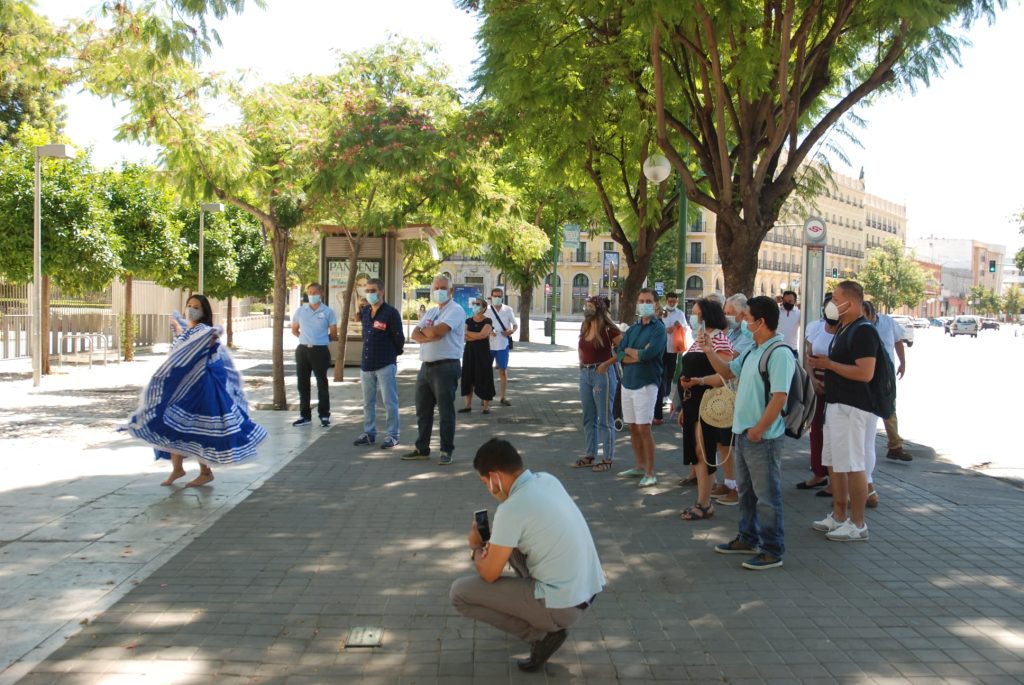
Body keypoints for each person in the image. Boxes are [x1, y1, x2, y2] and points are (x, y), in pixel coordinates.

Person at [450, 438, 605, 672]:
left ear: (496, 477)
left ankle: (539, 635)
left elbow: (490, 575)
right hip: (588, 590)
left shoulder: (511, 509)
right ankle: (538, 617)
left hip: (564, 606)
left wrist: (475, 548)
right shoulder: (548, 480)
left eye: (485, 482)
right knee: (506, 544)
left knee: (459, 593)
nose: (488, 489)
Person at [127, 294, 266, 487]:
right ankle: (178, 468)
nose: (191, 309)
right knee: (174, 423)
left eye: (196, 307)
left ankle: (205, 471)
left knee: (196, 427)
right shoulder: (187, 331)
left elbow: (202, 351)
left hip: (200, 388)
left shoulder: (204, 330)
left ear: (203, 311)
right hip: (182, 387)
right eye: (189, 305)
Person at [704, 296, 795, 570]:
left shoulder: (778, 353)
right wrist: (709, 349)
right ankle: (748, 537)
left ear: (761, 321)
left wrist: (758, 429)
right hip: (744, 433)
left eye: (747, 317)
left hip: (761, 438)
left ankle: (772, 549)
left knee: (767, 496)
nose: (743, 322)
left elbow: (779, 398)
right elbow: (727, 372)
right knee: (747, 492)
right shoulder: (753, 350)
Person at [807, 281, 877, 542]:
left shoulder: (863, 331)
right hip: (835, 404)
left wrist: (830, 365)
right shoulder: (844, 329)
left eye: (835, 299)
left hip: (852, 406)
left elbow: (865, 372)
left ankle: (858, 523)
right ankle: (838, 515)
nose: (831, 304)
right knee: (835, 462)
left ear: (851, 301)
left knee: (853, 464)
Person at [676, 298, 734, 520]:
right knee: (698, 453)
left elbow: (724, 375)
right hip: (693, 404)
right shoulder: (698, 339)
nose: (693, 317)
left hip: (708, 404)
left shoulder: (719, 339)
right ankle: (702, 500)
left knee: (705, 451)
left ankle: (704, 502)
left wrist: (699, 381)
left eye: (696, 313)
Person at [403, 275, 465, 466]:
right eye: (436, 288)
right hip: (426, 366)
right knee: (423, 410)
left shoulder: (456, 310)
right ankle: (422, 448)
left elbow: (439, 332)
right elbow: (415, 333)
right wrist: (429, 336)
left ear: (451, 291)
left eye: (443, 288)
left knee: (446, 412)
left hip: (446, 367)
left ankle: (446, 450)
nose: (439, 291)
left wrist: (429, 334)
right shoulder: (431, 312)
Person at [615, 289, 667, 487]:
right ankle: (638, 466)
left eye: (648, 301)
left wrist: (633, 355)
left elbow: (650, 354)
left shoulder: (658, 329)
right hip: (628, 382)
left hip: (646, 383)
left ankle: (650, 472)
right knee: (633, 427)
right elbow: (620, 352)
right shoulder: (634, 328)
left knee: (644, 427)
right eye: (641, 300)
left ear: (655, 304)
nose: (643, 304)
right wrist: (633, 354)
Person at [709, 293, 752, 507]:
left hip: (739, 396)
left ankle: (737, 486)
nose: (727, 318)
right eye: (725, 313)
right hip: (726, 395)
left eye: (730, 314)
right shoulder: (732, 333)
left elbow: (730, 360)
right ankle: (728, 481)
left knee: (733, 443)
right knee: (723, 441)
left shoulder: (748, 336)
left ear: (744, 314)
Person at [573, 296, 623, 472]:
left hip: (602, 374)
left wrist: (607, 364)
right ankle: (590, 455)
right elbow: (581, 347)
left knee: (605, 417)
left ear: (599, 309)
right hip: (585, 373)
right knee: (588, 417)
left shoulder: (609, 330)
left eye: (590, 306)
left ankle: (608, 458)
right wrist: (580, 361)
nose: (587, 309)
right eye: (586, 306)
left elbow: (624, 350)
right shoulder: (585, 326)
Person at [354, 279, 405, 449]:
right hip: (367, 364)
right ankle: (369, 433)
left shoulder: (391, 312)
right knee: (368, 402)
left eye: (373, 290)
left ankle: (392, 435)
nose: (369, 293)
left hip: (385, 363)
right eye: (367, 290)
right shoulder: (366, 311)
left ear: (381, 292)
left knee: (389, 401)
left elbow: (399, 338)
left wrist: (393, 355)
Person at [863, 301, 911, 462]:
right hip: (864, 371)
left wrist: (903, 363)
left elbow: (898, 341)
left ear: (872, 314)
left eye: (866, 317)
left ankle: (895, 446)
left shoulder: (888, 322)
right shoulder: (859, 327)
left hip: (885, 372)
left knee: (888, 406)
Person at [799, 293, 837, 492]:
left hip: (837, 384)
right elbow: (809, 356)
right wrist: (813, 379)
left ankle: (834, 479)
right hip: (818, 382)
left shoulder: (846, 332)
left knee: (832, 430)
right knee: (816, 428)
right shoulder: (817, 329)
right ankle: (818, 472)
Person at [291, 283, 338, 428]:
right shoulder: (301, 311)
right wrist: (306, 339)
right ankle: (304, 416)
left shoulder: (328, 312)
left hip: (320, 351)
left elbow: (334, 334)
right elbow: (294, 330)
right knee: (302, 384)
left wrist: (320, 340)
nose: (312, 295)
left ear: (321, 294)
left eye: (315, 292)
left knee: (321, 383)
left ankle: (324, 415)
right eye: (309, 293)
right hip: (302, 350)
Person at [654, 292, 689, 425]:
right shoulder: (661, 312)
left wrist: (679, 326)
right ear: (666, 300)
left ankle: (666, 394)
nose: (672, 303)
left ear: (677, 302)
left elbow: (686, 328)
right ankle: (662, 394)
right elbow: (656, 327)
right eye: (670, 301)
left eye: (674, 301)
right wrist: (665, 330)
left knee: (670, 373)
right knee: (661, 372)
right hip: (662, 347)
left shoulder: (680, 313)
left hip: (673, 348)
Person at [460, 297, 496, 414]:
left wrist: (469, 334)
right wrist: (478, 335)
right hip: (469, 352)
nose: (475, 305)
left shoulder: (488, 321)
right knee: (468, 377)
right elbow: (464, 336)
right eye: (474, 304)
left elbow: (483, 334)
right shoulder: (468, 321)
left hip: (483, 353)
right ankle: (467, 405)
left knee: (484, 376)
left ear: (484, 308)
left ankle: (486, 406)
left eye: (478, 304)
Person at [488, 288, 518, 406]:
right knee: (486, 371)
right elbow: (482, 325)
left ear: (502, 297)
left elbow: (515, 325)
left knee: (503, 371)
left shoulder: (508, 309)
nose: (497, 298)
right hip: (489, 345)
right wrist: (489, 331)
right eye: (495, 296)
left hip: (503, 345)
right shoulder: (487, 310)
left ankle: (503, 397)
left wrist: (511, 331)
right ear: (491, 297)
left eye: (499, 296)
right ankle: (486, 396)